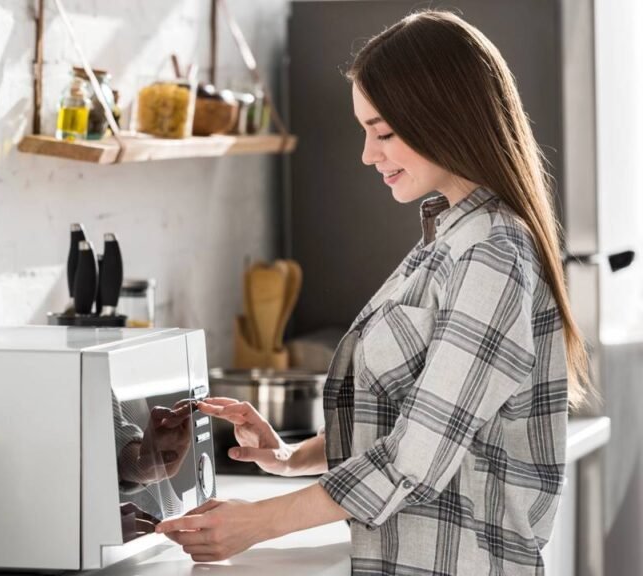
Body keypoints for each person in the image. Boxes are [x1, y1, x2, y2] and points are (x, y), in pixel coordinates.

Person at [155, 10, 591, 574]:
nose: (367, 153)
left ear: (445, 117)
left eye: (383, 131)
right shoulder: (449, 235)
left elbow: (418, 456)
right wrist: (292, 458)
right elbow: (414, 414)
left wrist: (258, 522)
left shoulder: (492, 255)